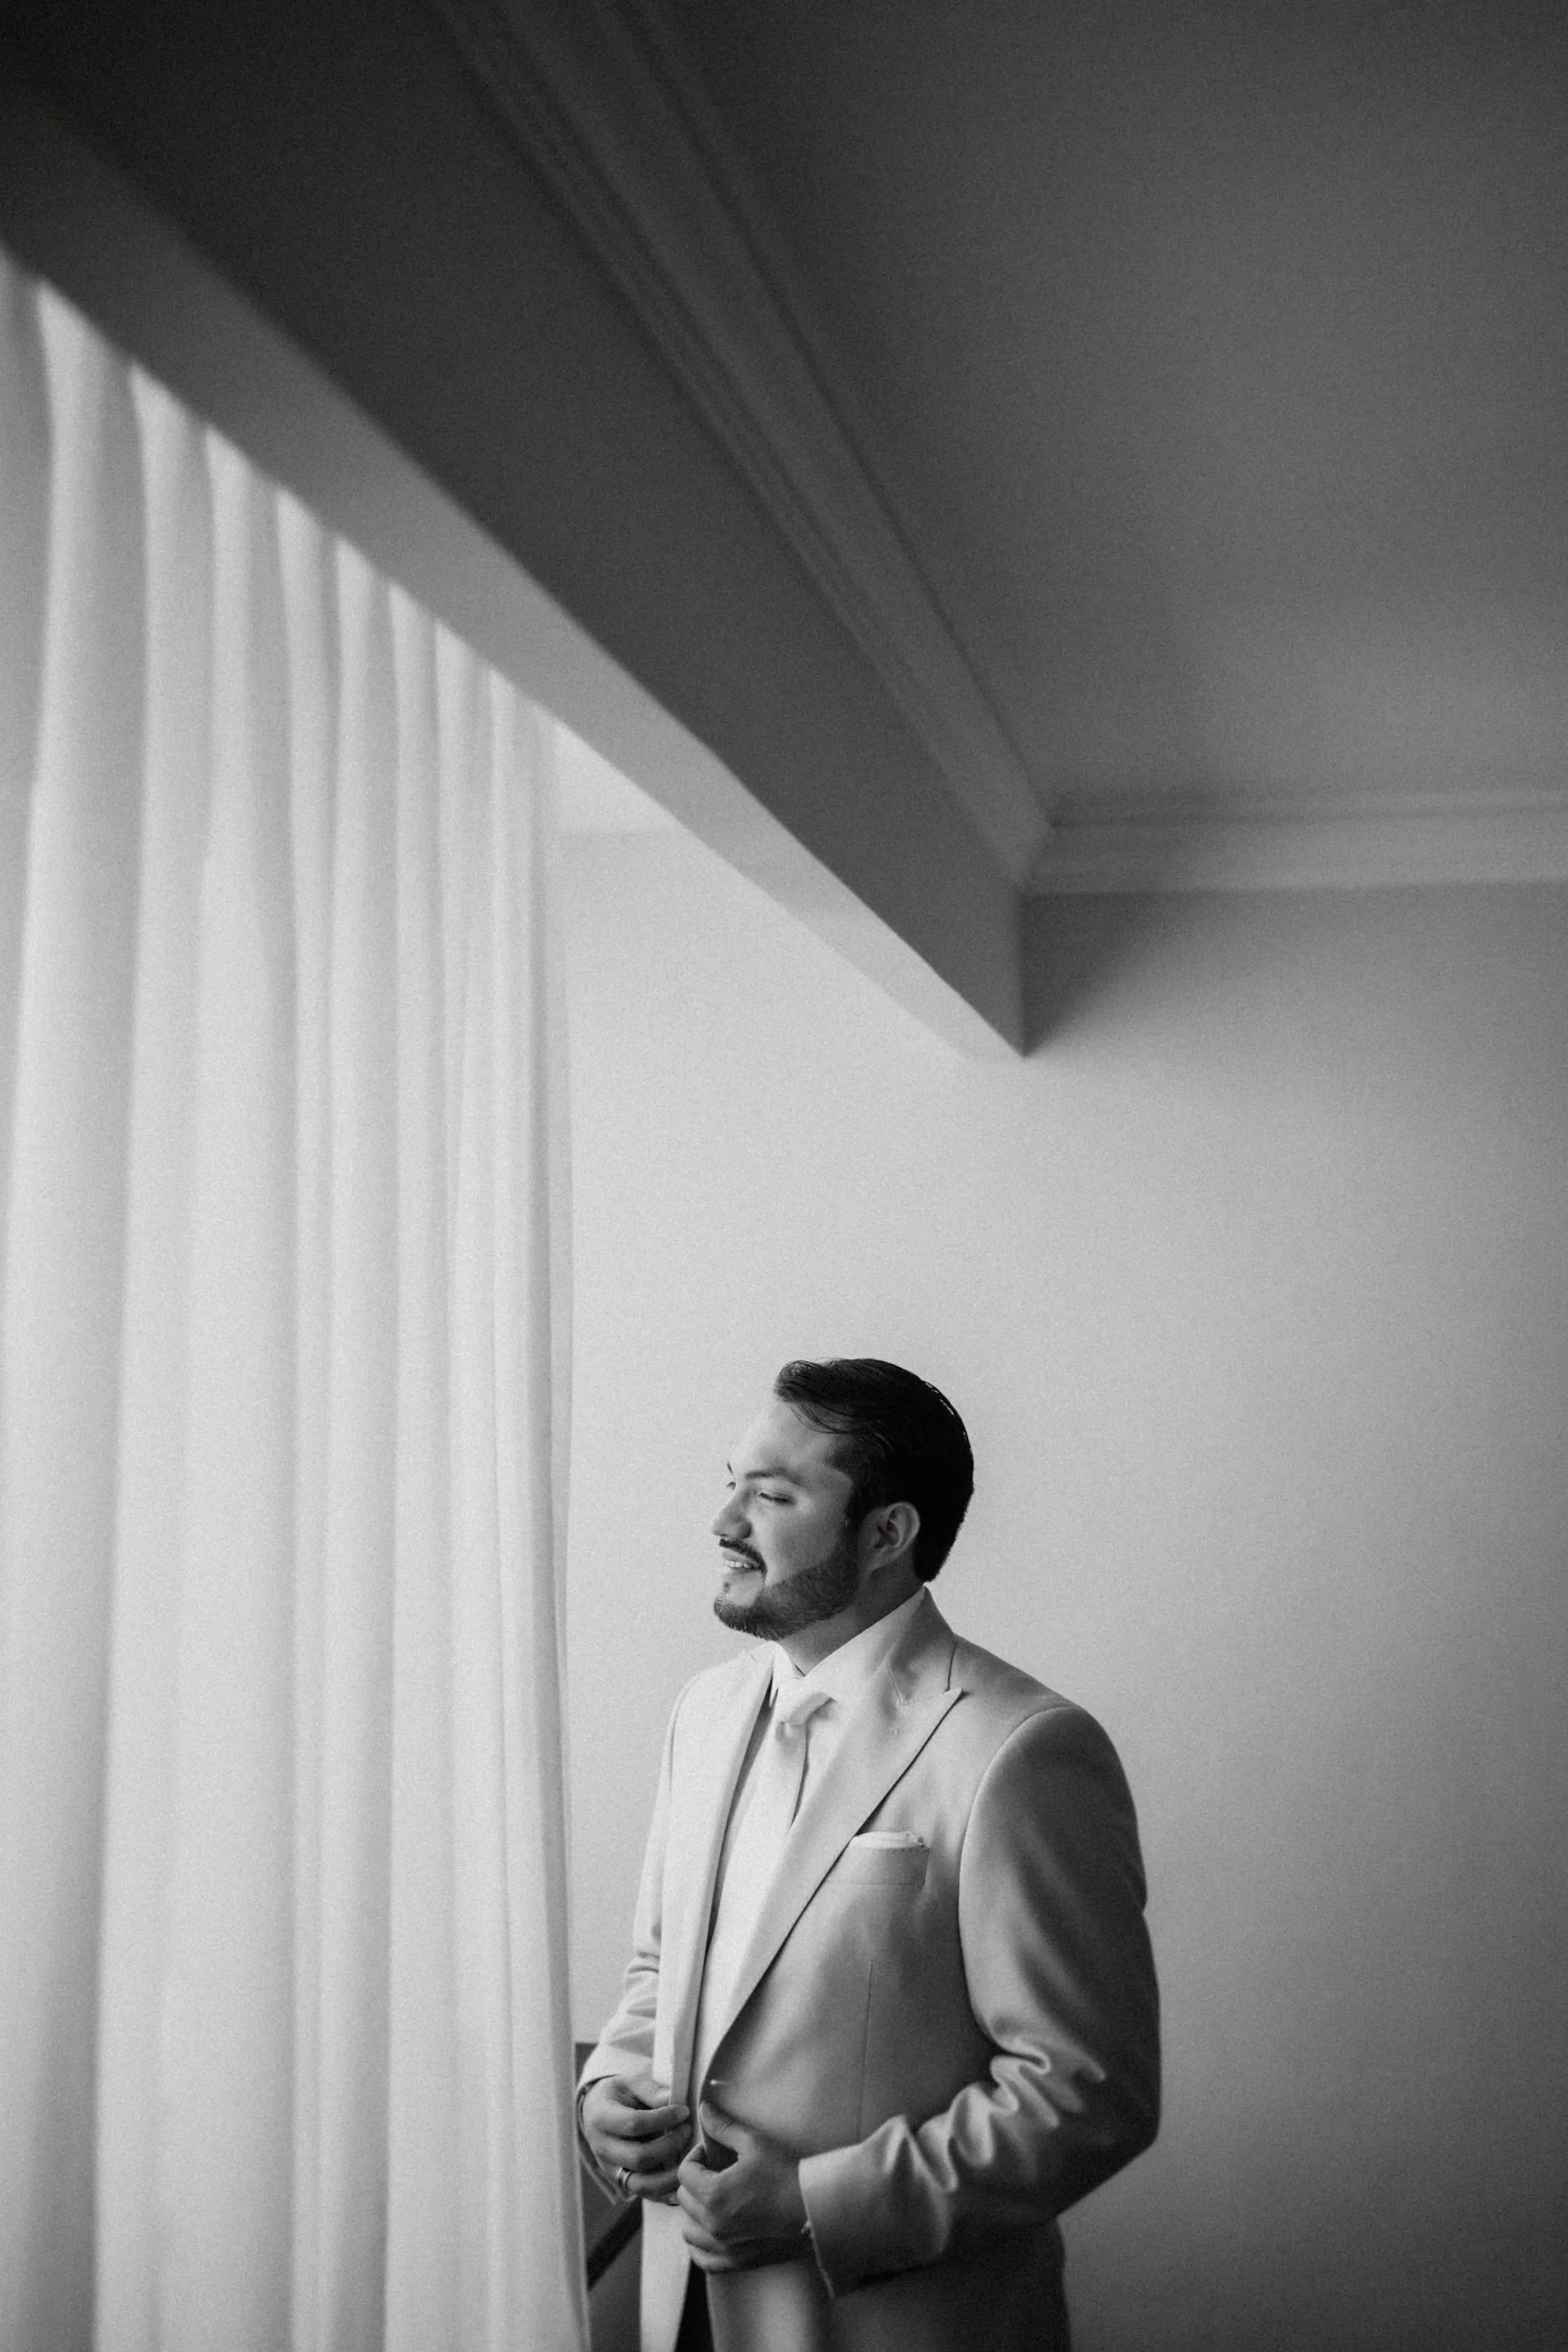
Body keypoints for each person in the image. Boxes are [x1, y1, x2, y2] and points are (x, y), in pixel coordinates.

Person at [579, 1358, 1159, 2352]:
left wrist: (813, 2202)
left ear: (888, 1534)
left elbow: (1087, 2093)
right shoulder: (704, 1713)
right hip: (679, 2304)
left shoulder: (1023, 1750)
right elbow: (658, 1968)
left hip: (881, 2322)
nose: (724, 1524)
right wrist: (612, 2093)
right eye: (732, 1483)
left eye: (772, 1495)